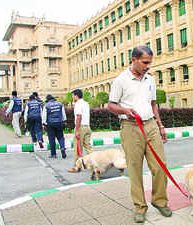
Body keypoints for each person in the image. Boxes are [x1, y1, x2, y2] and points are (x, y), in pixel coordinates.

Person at [107, 46, 171, 223]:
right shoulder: (121, 80)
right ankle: (140, 207)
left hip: (150, 125)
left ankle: (160, 201)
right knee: (135, 169)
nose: (148, 66)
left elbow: (153, 105)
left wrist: (160, 126)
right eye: (145, 62)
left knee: (160, 165)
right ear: (134, 60)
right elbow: (110, 105)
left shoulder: (150, 79)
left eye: (150, 62)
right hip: (130, 127)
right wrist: (124, 110)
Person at [68, 89, 93, 172]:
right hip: (87, 127)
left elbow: (79, 117)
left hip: (81, 127)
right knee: (88, 147)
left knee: (78, 147)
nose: (72, 97)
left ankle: (76, 167)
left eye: (73, 95)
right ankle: (96, 164)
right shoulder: (86, 103)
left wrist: (77, 130)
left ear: (76, 96)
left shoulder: (78, 104)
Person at [42, 94, 67, 159]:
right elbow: (63, 114)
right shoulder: (60, 104)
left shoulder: (46, 105)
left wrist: (44, 124)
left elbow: (44, 116)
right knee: (61, 137)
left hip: (50, 124)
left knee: (51, 139)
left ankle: (53, 154)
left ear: (47, 100)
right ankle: (62, 147)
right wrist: (64, 121)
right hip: (59, 123)